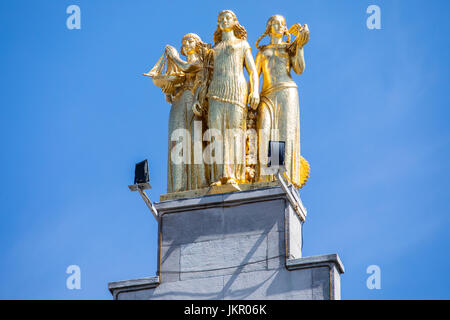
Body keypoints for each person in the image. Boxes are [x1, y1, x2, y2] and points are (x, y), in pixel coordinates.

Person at [254, 15, 309, 188]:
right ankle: (266, 175)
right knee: (265, 131)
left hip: (287, 92)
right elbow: (254, 75)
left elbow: (299, 69)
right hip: (267, 95)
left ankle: (279, 172)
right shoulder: (263, 52)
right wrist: (253, 93)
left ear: (285, 28)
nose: (278, 26)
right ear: (269, 27)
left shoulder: (288, 49)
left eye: (282, 24)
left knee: (283, 133)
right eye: (275, 23)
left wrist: (299, 46)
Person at [206, 10, 259, 187]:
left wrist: (255, 92)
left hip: (236, 90)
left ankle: (234, 175)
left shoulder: (242, 44)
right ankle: (220, 175)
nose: (223, 20)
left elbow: (252, 71)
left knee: (235, 133)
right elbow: (205, 76)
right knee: (216, 134)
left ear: (235, 21)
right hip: (215, 92)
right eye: (219, 18)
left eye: (227, 17)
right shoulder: (213, 50)